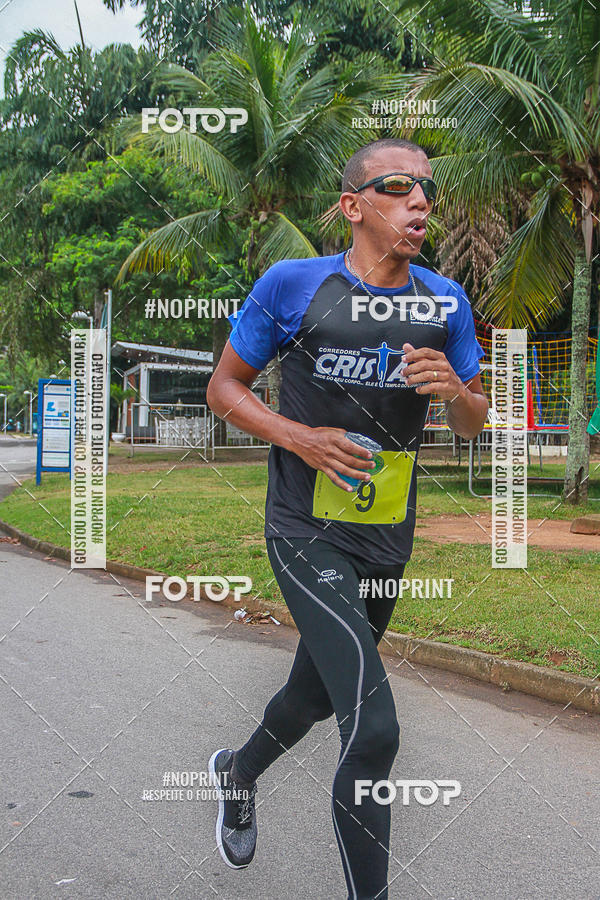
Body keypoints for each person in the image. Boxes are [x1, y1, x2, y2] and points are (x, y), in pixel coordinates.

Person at [206, 137, 488, 899]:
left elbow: (473, 424)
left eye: (427, 187)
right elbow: (224, 387)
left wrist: (454, 393)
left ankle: (237, 772)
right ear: (353, 205)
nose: (420, 201)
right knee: (374, 729)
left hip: (384, 537)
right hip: (303, 527)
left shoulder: (446, 301)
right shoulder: (293, 284)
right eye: (398, 187)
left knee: (314, 695)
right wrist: (301, 438)